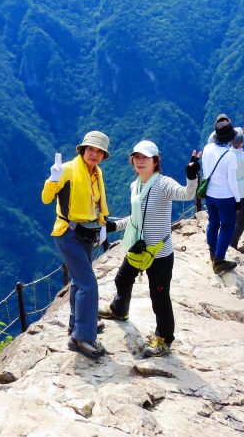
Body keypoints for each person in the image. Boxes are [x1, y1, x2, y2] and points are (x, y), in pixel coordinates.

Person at [99, 141, 200, 357]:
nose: (140, 160)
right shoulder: (136, 186)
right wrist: (115, 226)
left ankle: (164, 339)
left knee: (159, 296)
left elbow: (187, 195)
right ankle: (119, 310)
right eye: (137, 157)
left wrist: (191, 175)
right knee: (122, 279)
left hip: (159, 253)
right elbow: (135, 219)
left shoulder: (163, 184)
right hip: (137, 248)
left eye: (145, 157)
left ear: (155, 161)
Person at [41, 130, 114, 359]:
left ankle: (78, 324)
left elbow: (97, 203)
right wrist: (53, 179)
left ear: (103, 155)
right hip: (68, 233)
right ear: (83, 150)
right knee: (88, 285)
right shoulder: (69, 170)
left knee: (79, 281)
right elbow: (46, 198)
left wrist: (102, 225)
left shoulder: (96, 172)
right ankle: (82, 338)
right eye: (90, 149)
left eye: (98, 151)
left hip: (87, 233)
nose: (94, 154)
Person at [201, 118, 241, 273]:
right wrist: (238, 201)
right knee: (228, 226)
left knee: (213, 223)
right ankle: (219, 260)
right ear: (230, 138)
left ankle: (213, 253)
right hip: (225, 197)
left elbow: (206, 172)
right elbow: (232, 182)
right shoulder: (229, 155)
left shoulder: (207, 148)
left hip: (210, 195)